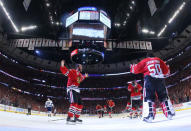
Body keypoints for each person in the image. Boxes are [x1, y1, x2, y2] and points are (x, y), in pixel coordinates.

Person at [130, 52, 175, 122]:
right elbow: (166, 71)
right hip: (160, 79)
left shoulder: (145, 60)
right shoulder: (159, 60)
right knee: (163, 97)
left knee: (149, 98)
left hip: (149, 79)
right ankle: (169, 113)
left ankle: (150, 115)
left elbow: (135, 69)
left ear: (147, 57)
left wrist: (132, 67)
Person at [60, 60, 88, 124]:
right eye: (80, 66)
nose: (81, 67)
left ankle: (76, 118)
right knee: (74, 103)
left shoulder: (80, 75)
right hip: (71, 89)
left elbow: (78, 81)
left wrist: (85, 77)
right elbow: (66, 72)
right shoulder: (72, 71)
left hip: (77, 90)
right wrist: (62, 66)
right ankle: (69, 118)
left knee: (80, 104)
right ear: (77, 67)